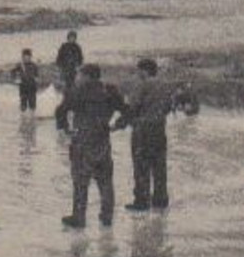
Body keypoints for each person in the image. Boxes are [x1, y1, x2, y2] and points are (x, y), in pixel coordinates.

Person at [55, 63, 128, 229]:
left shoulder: (76, 91)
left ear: (87, 76)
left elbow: (60, 111)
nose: (77, 77)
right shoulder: (109, 91)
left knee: (81, 181)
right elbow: (127, 111)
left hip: (82, 141)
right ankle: (106, 217)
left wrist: (65, 129)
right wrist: (118, 125)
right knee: (106, 181)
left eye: (79, 75)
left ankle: (79, 218)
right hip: (102, 140)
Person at [124, 58, 176, 211]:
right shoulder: (165, 86)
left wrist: (121, 123)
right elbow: (168, 108)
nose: (137, 73)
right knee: (159, 166)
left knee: (141, 166)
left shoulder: (142, 85)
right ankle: (160, 200)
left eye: (139, 70)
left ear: (144, 70)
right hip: (159, 129)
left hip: (142, 130)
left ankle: (142, 200)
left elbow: (133, 107)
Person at [11, 49, 41, 114]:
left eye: (28, 57)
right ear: (22, 57)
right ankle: (23, 119)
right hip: (23, 87)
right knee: (23, 105)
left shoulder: (34, 65)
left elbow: (37, 75)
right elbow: (12, 72)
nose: (26, 59)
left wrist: (37, 79)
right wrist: (15, 79)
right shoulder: (20, 65)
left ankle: (32, 118)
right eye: (25, 57)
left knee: (32, 105)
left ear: (30, 57)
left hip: (32, 87)